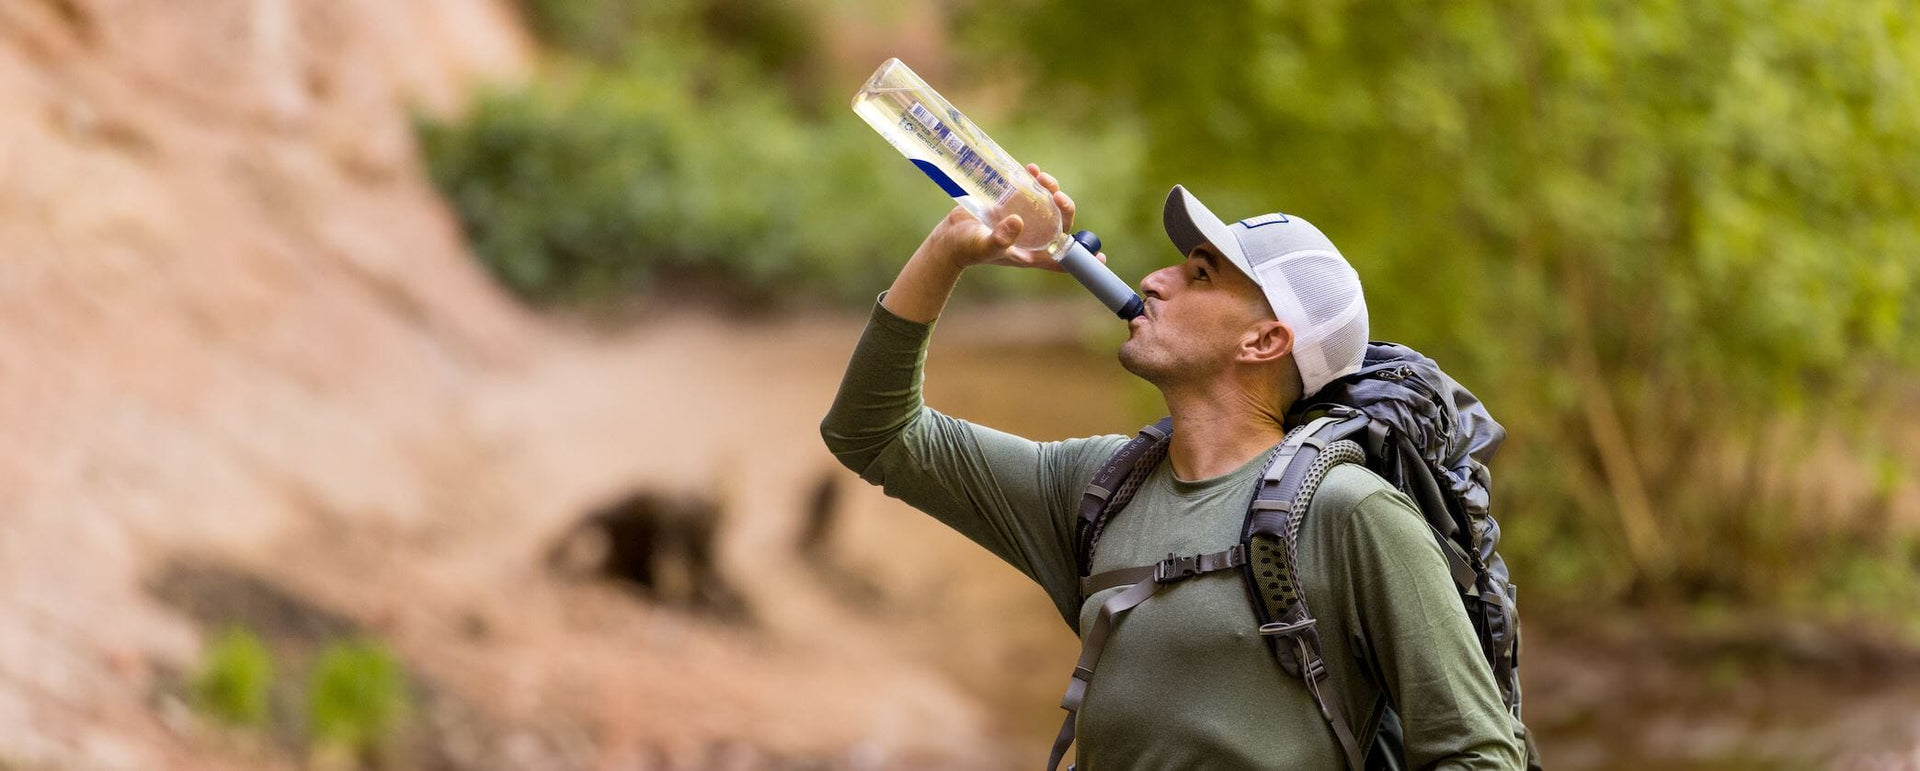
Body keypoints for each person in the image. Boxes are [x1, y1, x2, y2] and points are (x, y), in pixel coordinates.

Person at [820, 165, 1524, 769]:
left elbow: (1478, 751)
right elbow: (873, 433)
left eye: (1198, 274)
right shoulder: (1100, 485)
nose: (1153, 279)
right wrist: (947, 253)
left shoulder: (1350, 510)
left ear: (1265, 339)